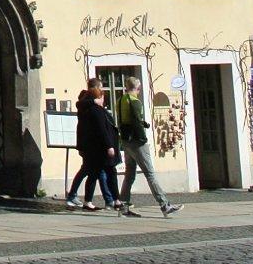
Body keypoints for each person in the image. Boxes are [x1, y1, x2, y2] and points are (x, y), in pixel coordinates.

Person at [116, 77, 178, 217]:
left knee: (129, 174)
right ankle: (164, 205)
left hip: (126, 141)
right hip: (138, 142)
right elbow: (136, 122)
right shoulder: (135, 102)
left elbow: (123, 120)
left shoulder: (120, 101)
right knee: (150, 174)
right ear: (138, 88)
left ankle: (123, 206)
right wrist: (143, 139)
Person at [66, 83, 119, 211]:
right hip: (98, 149)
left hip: (91, 148)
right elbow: (102, 130)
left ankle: (101, 200)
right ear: (97, 96)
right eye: (102, 95)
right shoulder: (95, 110)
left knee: (94, 173)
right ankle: (111, 200)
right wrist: (109, 146)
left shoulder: (88, 109)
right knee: (103, 173)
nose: (103, 99)